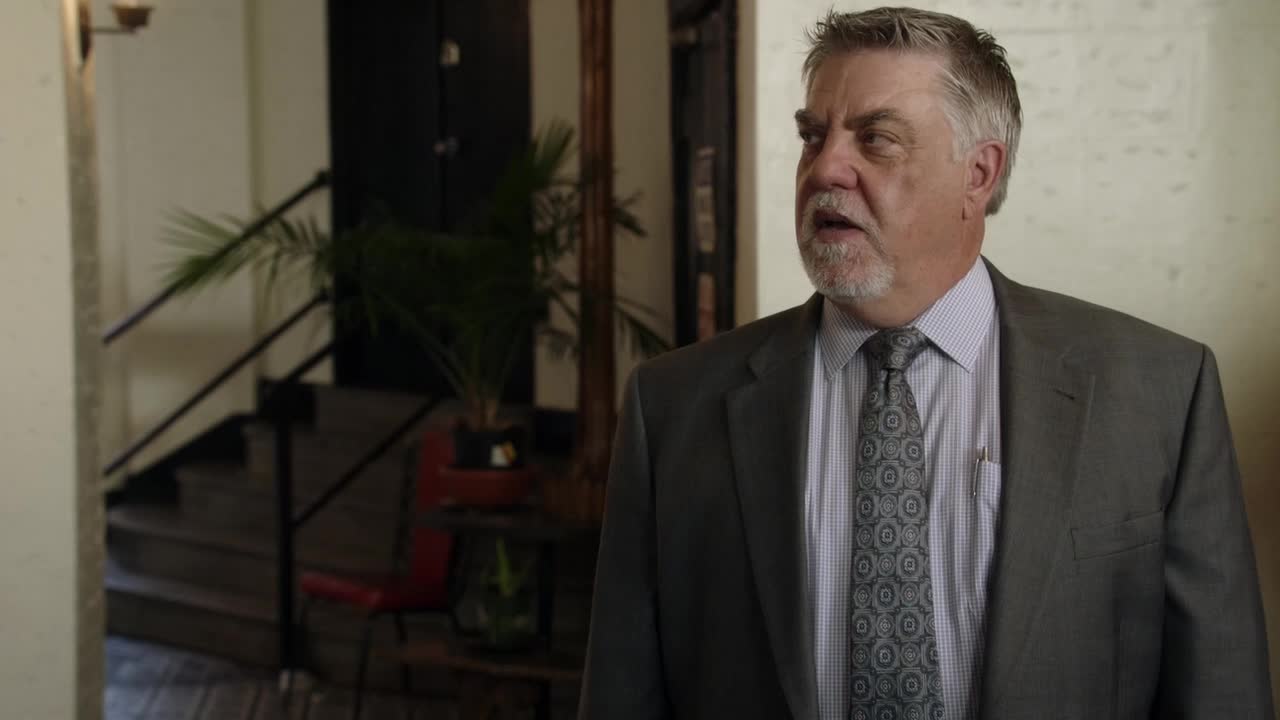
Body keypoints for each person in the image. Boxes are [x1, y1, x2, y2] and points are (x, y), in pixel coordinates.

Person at [578, 6, 1273, 720]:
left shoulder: (1159, 394)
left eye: (875, 139)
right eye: (813, 136)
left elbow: (1222, 695)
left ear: (979, 173)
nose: (825, 168)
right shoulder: (674, 408)